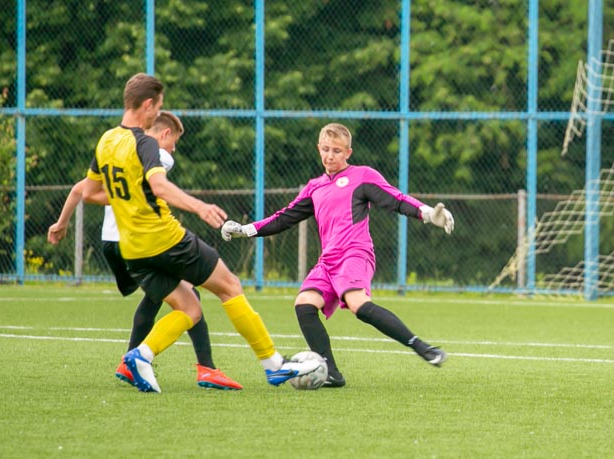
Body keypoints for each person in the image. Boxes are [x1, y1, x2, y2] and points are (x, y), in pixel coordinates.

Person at [82, 73, 320, 393]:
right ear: (148, 104)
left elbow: (90, 194)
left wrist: (131, 199)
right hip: (165, 239)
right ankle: (273, 364)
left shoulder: (107, 140)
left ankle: (141, 356)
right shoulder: (145, 143)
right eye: (159, 107)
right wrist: (199, 207)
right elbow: (160, 185)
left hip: (133, 249)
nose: (158, 113)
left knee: (189, 308)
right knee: (230, 286)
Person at [221, 122, 455, 388]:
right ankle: (330, 372)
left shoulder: (362, 176)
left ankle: (422, 347)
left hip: (355, 253)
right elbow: (283, 218)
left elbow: (396, 199)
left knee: (358, 305)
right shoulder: (314, 187)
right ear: (319, 149)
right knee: (304, 304)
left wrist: (427, 214)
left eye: (336, 150)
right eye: (325, 149)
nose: (330, 156)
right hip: (328, 261)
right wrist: (246, 230)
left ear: (348, 153)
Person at [47, 111, 242, 390]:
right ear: (163, 134)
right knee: (188, 295)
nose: (174, 149)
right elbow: (158, 188)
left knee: (162, 295)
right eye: (174, 140)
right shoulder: (159, 156)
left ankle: (133, 364)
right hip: (136, 242)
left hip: (112, 243)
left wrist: (61, 222)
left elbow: (82, 188)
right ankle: (205, 369)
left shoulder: (117, 149)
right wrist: (197, 207)